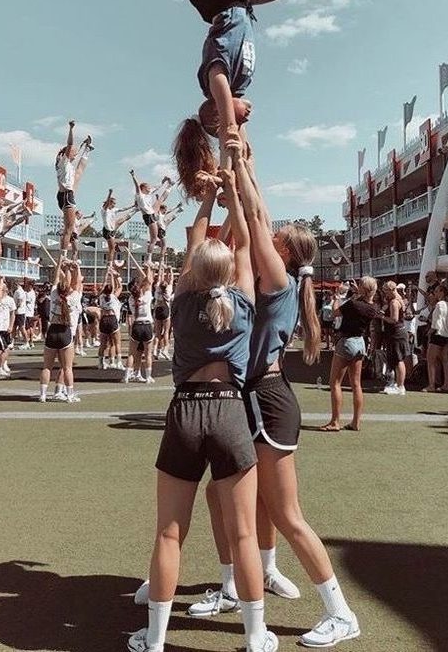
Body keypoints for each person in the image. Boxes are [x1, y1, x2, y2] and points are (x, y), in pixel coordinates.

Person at [15, 0, 393, 198]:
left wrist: (229, 131)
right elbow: (242, 143)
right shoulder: (240, 84)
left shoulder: (220, 81)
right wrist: (239, 161)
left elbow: (220, 90)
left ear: (217, 113)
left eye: (236, 119)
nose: (250, 117)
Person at [189, 141, 360, 647]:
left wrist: (237, 171)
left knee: (284, 513)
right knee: (232, 497)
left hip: (266, 399)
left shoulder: (278, 276)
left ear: (284, 250)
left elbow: (255, 222)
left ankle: (340, 611)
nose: (272, 230)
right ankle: (247, 577)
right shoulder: (276, 278)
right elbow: (257, 215)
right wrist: (242, 164)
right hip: (256, 397)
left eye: (278, 236)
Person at [128, 166, 278, 652]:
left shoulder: (183, 299)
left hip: (185, 412)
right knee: (241, 536)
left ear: (193, 271)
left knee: (169, 535)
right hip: (230, 411)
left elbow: (197, 237)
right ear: (232, 272)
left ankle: (154, 641)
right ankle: (256, 639)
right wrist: (233, 192)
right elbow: (241, 244)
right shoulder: (242, 299)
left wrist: (209, 197)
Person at [321, 276, 382, 432]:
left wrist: (337, 297)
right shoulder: (373, 307)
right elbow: (361, 303)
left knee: (335, 383)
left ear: (362, 289)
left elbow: (335, 312)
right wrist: (357, 291)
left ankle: (335, 422)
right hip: (360, 342)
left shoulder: (353, 304)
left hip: (346, 341)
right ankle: (356, 422)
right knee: (356, 385)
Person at [39, 258, 82, 403]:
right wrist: (75, 268)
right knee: (67, 367)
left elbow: (56, 278)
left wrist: (60, 263)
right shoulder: (74, 297)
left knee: (47, 367)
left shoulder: (53, 294)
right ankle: (70, 395)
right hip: (65, 331)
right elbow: (77, 284)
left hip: (52, 330)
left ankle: (43, 395)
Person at [55, 120, 94, 257]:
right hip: (66, 195)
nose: (74, 154)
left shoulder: (68, 164)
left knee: (79, 172)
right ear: (66, 153)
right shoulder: (64, 161)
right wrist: (71, 128)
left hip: (65, 194)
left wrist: (85, 145)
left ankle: (65, 255)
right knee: (69, 229)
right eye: (73, 153)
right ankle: (63, 256)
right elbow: (70, 144)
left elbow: (75, 153)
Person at [129, 170, 175, 265]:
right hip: (148, 216)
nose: (150, 188)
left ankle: (170, 186)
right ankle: (147, 260)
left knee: (161, 199)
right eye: (148, 187)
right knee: (154, 239)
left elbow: (158, 186)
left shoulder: (149, 193)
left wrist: (165, 180)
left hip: (152, 213)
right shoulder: (140, 195)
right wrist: (133, 176)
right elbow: (137, 186)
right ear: (143, 188)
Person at [126, 259, 155, 384]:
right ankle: (148, 377)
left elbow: (145, 282)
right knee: (148, 354)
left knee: (132, 353)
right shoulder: (147, 297)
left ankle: (127, 376)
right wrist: (148, 268)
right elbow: (148, 281)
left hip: (136, 325)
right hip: (147, 325)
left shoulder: (131, 299)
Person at [381, 281, 411, 396]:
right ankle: (397, 384)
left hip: (397, 333)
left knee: (398, 359)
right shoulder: (397, 299)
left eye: (385, 291)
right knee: (396, 359)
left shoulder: (394, 302)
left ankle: (401, 386)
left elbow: (394, 319)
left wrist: (382, 316)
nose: (384, 294)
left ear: (391, 290)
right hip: (396, 333)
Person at [0, 196, 31, 269]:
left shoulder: (3, 210)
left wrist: (21, 202)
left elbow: (11, 206)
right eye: (1, 201)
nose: (3, 202)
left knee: (0, 250)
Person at [424, 284, 448, 392]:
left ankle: (431, 385)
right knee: (445, 360)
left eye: (436, 291)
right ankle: (446, 384)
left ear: (441, 292)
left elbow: (437, 321)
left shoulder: (439, 305)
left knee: (430, 360)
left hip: (438, 334)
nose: (434, 293)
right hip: (447, 334)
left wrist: (430, 331)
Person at [101, 188, 137, 267]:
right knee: (112, 249)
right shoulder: (104, 210)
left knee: (122, 220)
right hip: (107, 231)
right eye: (113, 203)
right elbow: (107, 203)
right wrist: (110, 193)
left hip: (112, 228)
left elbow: (123, 209)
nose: (115, 205)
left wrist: (133, 206)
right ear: (110, 203)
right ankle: (109, 264)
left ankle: (135, 210)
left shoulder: (114, 209)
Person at [98, 266, 124, 371]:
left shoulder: (101, 297)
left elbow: (106, 285)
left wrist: (107, 274)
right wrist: (113, 274)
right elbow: (119, 287)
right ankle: (119, 363)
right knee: (117, 343)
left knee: (103, 344)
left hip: (103, 320)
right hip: (112, 319)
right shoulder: (113, 297)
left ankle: (100, 363)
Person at [153, 262, 174, 361]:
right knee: (166, 332)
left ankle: (155, 349)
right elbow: (171, 280)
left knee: (157, 333)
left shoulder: (157, 290)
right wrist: (170, 271)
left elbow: (160, 278)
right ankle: (165, 349)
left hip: (158, 309)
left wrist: (161, 269)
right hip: (165, 310)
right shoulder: (168, 290)